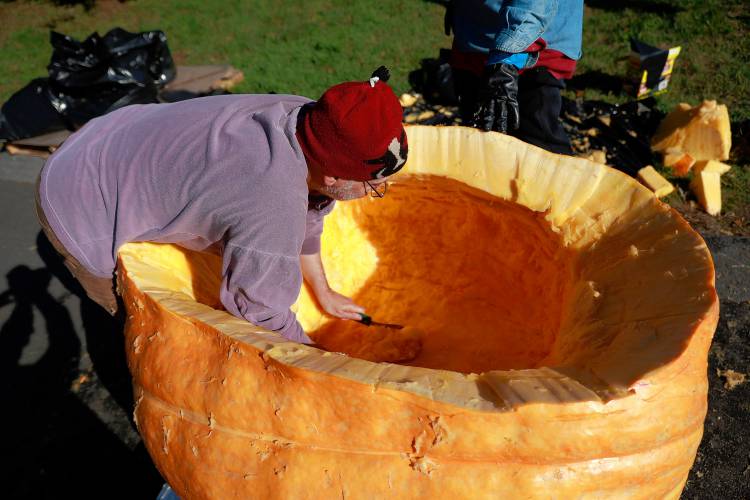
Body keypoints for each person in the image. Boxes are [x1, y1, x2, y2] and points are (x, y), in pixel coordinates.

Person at [35, 66, 408, 344]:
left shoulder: (308, 119)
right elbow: (258, 310)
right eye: (374, 187)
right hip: (76, 197)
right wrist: (321, 362)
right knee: (135, 324)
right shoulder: (271, 201)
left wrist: (323, 292)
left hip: (115, 133)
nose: (379, 191)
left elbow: (310, 213)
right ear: (334, 177)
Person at [445, 0, 583, 154]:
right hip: (475, 35)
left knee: (539, 151)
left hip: (531, 47)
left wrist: (508, 57)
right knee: (480, 146)